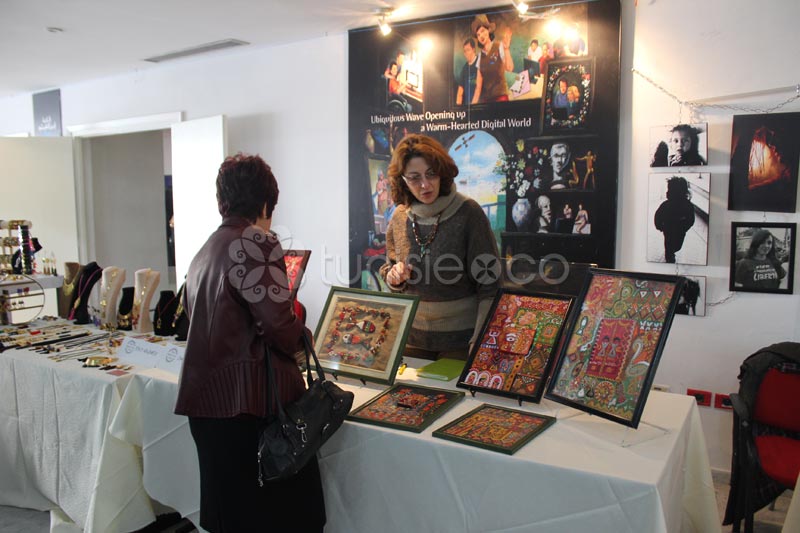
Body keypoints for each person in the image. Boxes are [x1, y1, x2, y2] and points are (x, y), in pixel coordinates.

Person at [174, 154, 324, 532]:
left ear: (222, 201)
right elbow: (277, 325)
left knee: (230, 518)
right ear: (264, 204)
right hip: (247, 410)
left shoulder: (204, 251)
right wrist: (304, 335)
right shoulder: (256, 242)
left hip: (208, 406)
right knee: (284, 518)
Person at [380, 134, 500, 360]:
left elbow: (490, 286)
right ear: (402, 180)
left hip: (462, 343)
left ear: (442, 172)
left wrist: (480, 340)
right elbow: (391, 270)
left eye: (431, 174)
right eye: (414, 178)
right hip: (411, 339)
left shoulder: (469, 213)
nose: (425, 185)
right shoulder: (399, 216)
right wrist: (395, 278)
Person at [471, 14, 514, 104]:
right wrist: (471, 109)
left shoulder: (499, 46)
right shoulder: (480, 57)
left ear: (488, 30)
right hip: (487, 101)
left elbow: (509, 68)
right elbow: (478, 87)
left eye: (482, 31)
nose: (481, 36)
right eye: (478, 35)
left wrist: (506, 49)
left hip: (501, 98)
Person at [653, 176, 695, 263]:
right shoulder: (666, 205)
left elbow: (691, 219)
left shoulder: (687, 206)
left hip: (680, 231)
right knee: (669, 247)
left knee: (677, 246)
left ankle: (671, 252)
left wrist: (685, 227)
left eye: (670, 190)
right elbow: (658, 216)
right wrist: (660, 226)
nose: (667, 192)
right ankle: (669, 256)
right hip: (668, 231)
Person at [456, 38, 479, 105]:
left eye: (468, 50)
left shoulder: (480, 62)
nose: (466, 53)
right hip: (468, 108)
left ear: (473, 49)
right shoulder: (464, 69)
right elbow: (460, 93)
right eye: (464, 51)